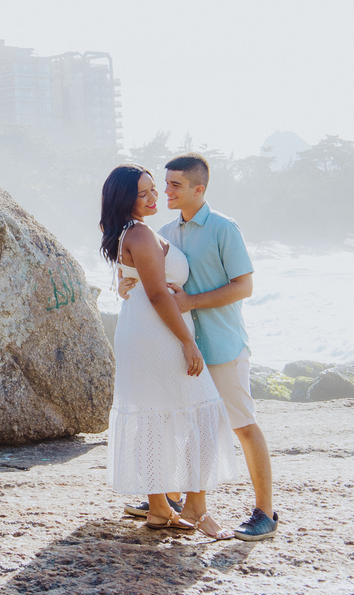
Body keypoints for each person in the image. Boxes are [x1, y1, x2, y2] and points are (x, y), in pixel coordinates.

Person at [119, 152, 279, 541]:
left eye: (174, 185)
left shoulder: (224, 228)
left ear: (198, 189)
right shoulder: (166, 232)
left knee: (241, 425)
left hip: (220, 344)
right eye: (164, 184)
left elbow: (245, 286)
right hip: (178, 346)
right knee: (181, 423)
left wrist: (192, 302)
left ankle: (265, 512)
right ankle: (171, 501)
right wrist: (125, 285)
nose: (165, 191)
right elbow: (153, 280)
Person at [101, 163, 238, 540]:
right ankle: (191, 506)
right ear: (125, 199)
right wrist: (188, 341)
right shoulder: (141, 234)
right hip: (157, 334)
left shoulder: (132, 232)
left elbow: (141, 284)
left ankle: (162, 509)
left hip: (145, 329)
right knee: (203, 415)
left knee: (157, 418)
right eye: (143, 193)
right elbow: (160, 294)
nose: (153, 197)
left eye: (153, 190)